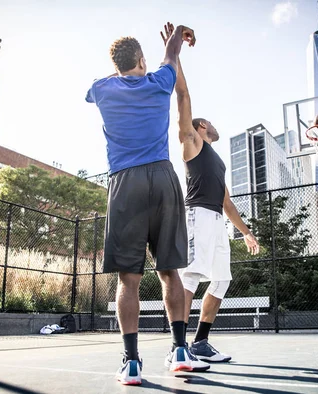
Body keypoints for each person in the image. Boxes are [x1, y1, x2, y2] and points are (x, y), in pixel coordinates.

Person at [85, 23, 208, 386]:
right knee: (170, 271)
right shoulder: (159, 81)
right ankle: (181, 351)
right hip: (163, 178)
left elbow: (101, 84)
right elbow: (171, 54)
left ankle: (132, 362)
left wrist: (122, 67)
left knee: (129, 278)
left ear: (117, 65)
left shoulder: (102, 88)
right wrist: (177, 35)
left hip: (126, 183)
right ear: (142, 59)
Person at [160, 23, 260, 365]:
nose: (215, 125)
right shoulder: (193, 142)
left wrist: (245, 233)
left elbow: (227, 201)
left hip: (217, 220)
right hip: (196, 217)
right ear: (200, 127)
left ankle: (201, 342)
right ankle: (179, 346)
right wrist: (176, 53)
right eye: (210, 122)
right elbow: (183, 97)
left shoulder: (217, 161)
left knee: (221, 281)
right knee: (191, 276)